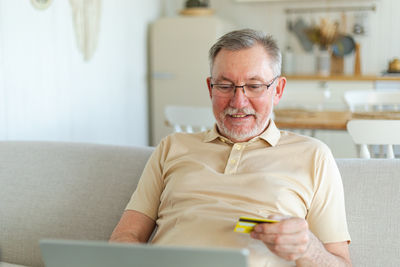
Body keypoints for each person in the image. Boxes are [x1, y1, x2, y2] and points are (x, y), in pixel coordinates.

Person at [110, 29, 351, 267]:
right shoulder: (171, 147)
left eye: (254, 86)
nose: (238, 102)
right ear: (210, 88)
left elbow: (341, 263)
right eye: (225, 86)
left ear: (277, 90)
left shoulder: (314, 156)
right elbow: (125, 237)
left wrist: (307, 247)